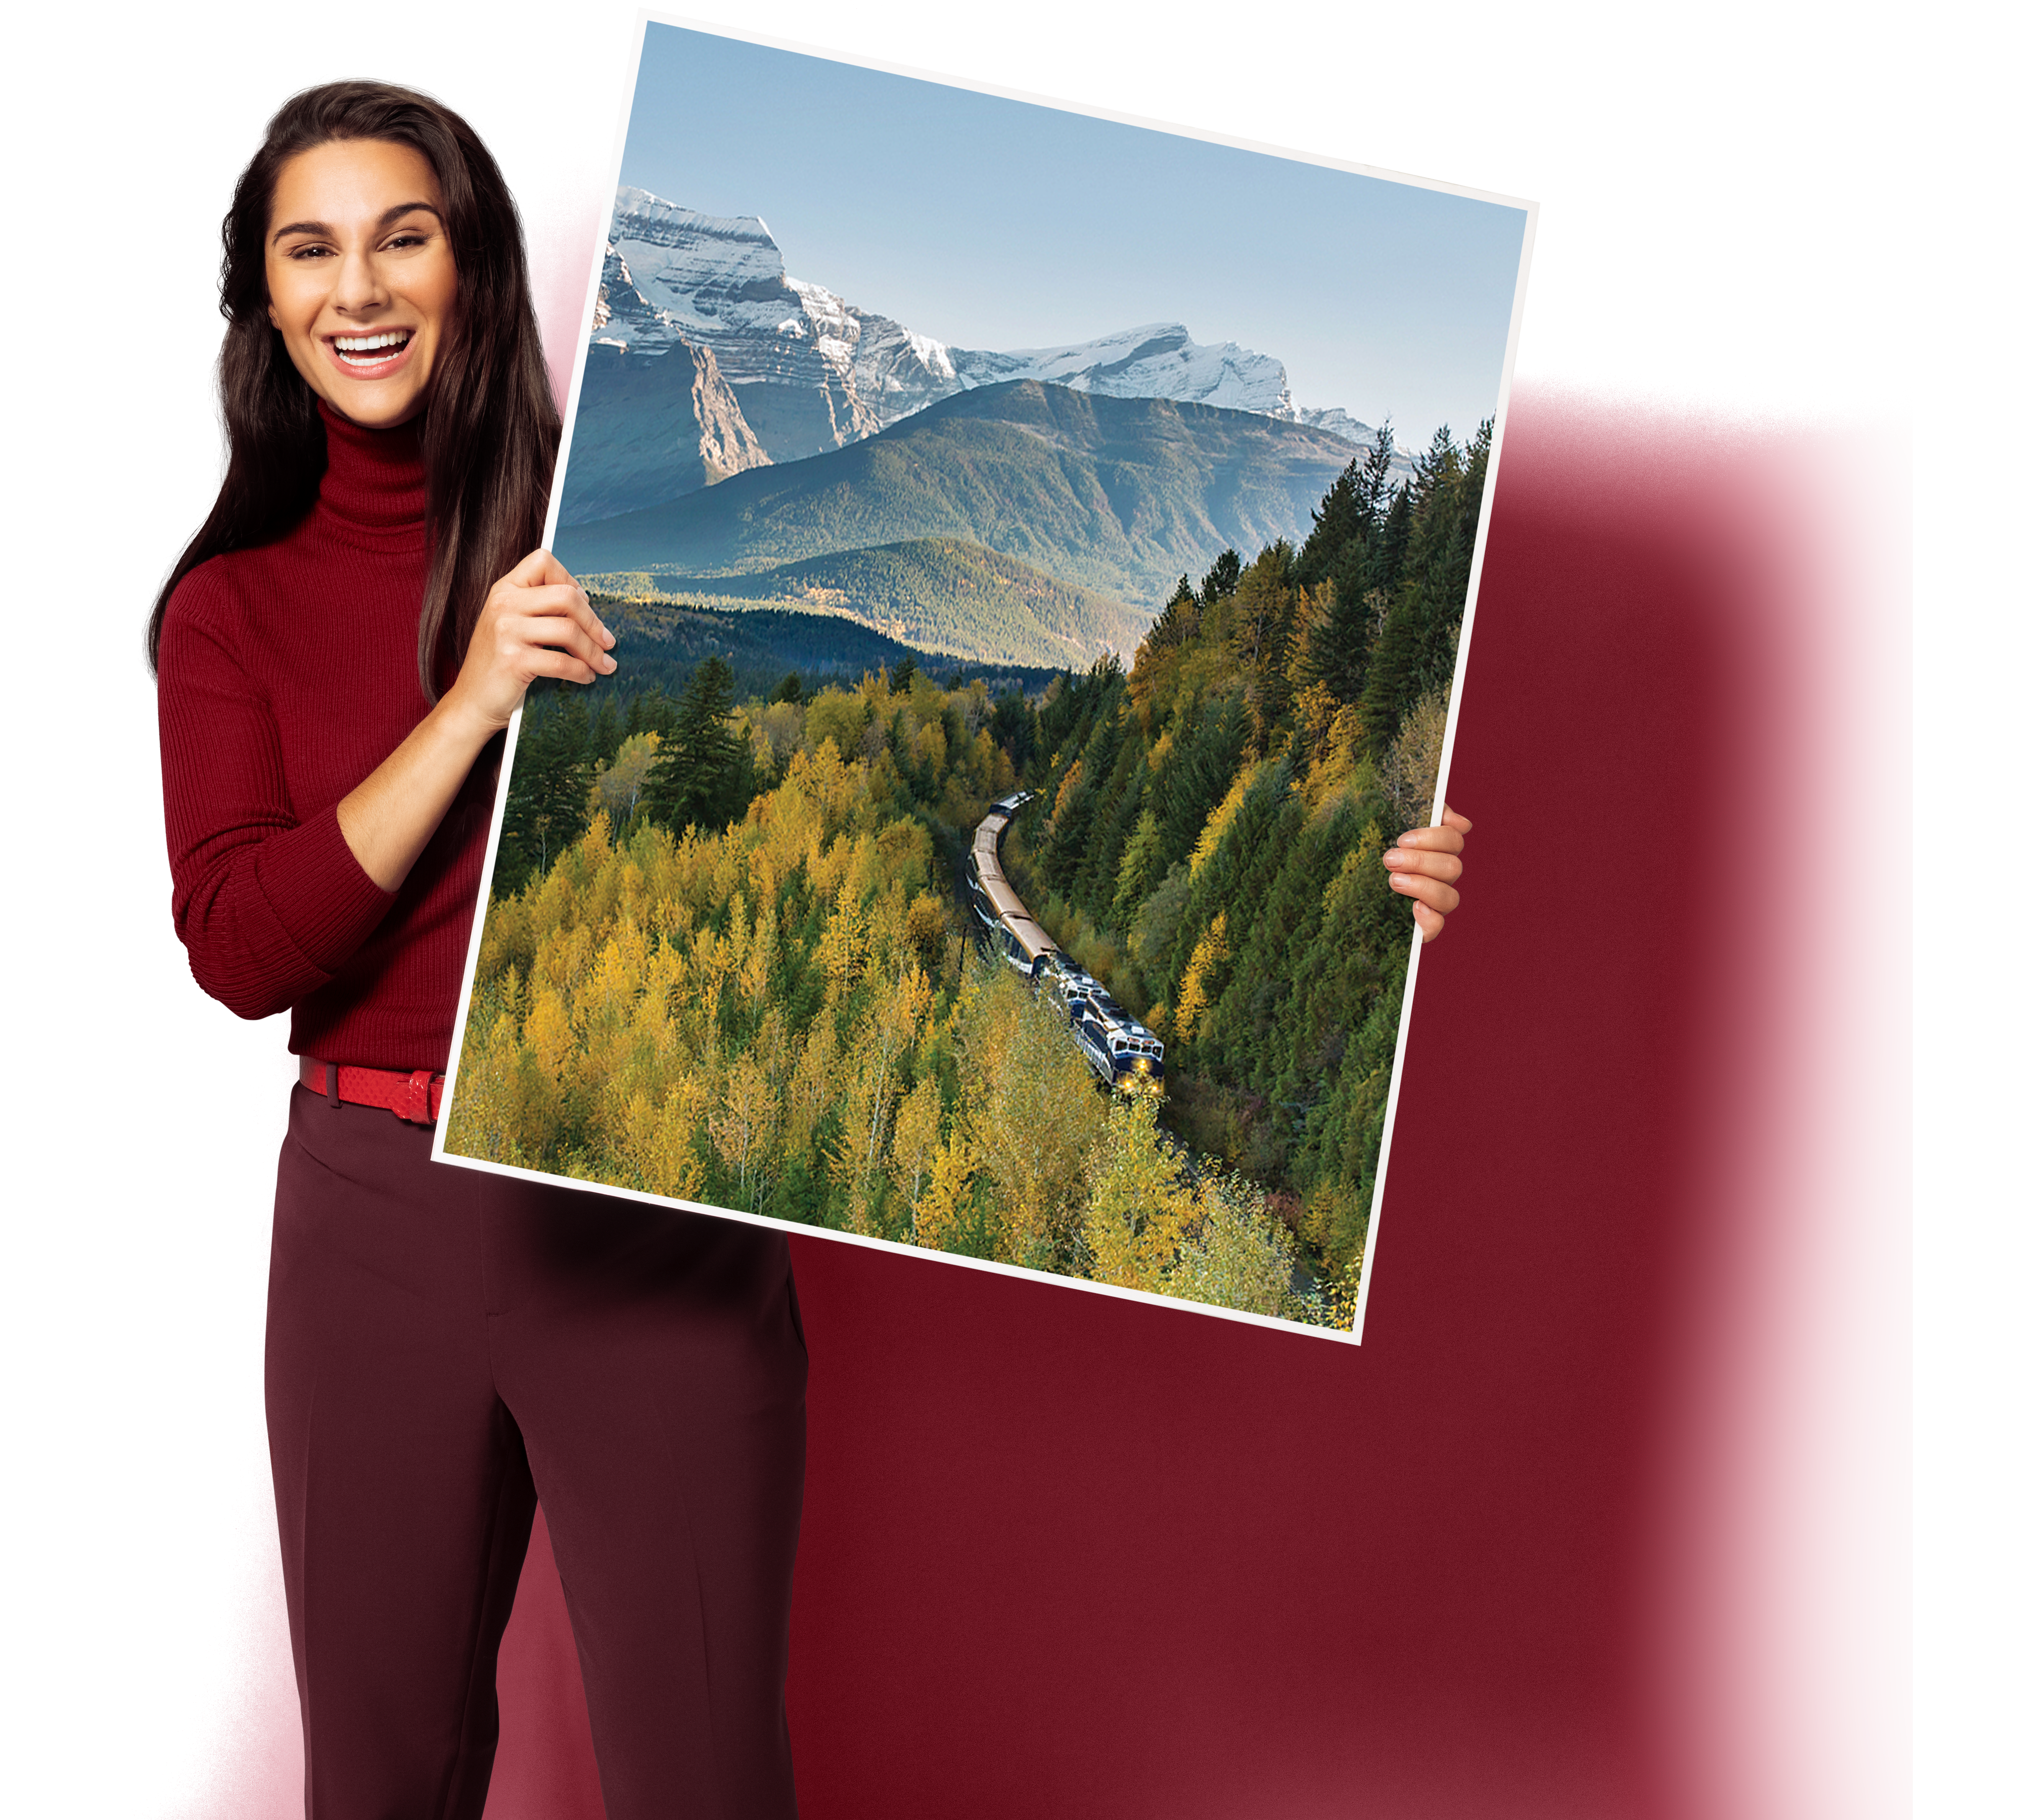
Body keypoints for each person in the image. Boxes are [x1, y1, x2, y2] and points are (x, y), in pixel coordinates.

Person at [146, 70, 1470, 1820]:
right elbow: (244, 948)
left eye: (406, 236)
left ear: (478, 267)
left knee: (705, 1779)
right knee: (378, 1783)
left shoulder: (585, 515)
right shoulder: (227, 607)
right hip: (369, 1228)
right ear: (265, 301)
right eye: (310, 252)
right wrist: (469, 705)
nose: (360, 289)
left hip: (646, 1215)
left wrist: (1355, 861)